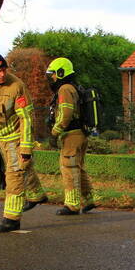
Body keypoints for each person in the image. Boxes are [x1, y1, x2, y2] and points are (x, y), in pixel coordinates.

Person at [0, 53, 46, 232]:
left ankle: (12, 218)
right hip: (1, 139)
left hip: (15, 137)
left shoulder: (17, 87)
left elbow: (27, 119)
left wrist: (26, 147)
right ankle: (37, 195)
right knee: (23, 167)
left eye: (4, 70)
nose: (2, 74)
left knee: (14, 173)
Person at [46, 57, 95, 215]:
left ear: (61, 73)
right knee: (78, 168)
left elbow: (66, 114)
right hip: (80, 133)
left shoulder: (65, 89)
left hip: (72, 136)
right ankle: (89, 199)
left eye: (53, 74)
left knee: (69, 168)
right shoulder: (74, 87)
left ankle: (72, 205)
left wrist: (55, 132)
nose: (51, 78)